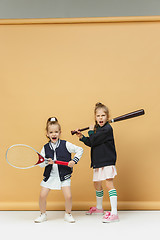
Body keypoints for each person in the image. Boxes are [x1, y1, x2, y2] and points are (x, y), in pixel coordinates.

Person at [75, 103, 119, 223]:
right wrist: (82, 137)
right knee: (96, 183)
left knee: (109, 183)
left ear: (107, 116)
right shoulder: (98, 129)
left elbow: (94, 138)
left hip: (107, 160)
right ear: (95, 117)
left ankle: (114, 213)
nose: (100, 118)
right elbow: (92, 142)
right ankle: (99, 208)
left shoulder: (107, 129)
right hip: (98, 161)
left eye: (103, 115)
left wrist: (90, 132)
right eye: (98, 115)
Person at [34, 117, 83, 223]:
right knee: (42, 196)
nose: (54, 134)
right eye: (51, 132)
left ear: (60, 133)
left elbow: (80, 149)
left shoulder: (65, 144)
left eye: (56, 132)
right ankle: (43, 214)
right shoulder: (45, 147)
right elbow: (41, 164)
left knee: (68, 196)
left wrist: (74, 161)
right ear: (47, 134)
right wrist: (46, 162)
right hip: (50, 176)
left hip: (64, 176)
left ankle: (68, 214)